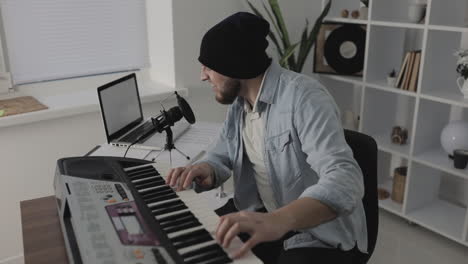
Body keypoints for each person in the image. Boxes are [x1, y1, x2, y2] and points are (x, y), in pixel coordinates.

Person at [166, 12, 368, 264]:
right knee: (196, 245)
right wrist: (207, 168)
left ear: (234, 65)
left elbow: (345, 179)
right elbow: (223, 153)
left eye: (209, 65)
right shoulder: (240, 103)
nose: (203, 76)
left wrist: (278, 220)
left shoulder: (305, 97)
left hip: (316, 233)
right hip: (265, 216)